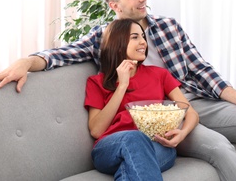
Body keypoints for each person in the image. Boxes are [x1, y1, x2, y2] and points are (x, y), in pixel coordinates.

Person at [0, 0, 236, 180]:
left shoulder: (168, 26)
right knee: (218, 146)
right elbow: (61, 55)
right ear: (115, 5)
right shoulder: (104, 37)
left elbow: (200, 68)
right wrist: (25, 61)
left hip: (192, 100)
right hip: (161, 116)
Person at [85, 18, 198, 180]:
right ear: (117, 44)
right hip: (111, 148)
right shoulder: (96, 82)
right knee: (134, 138)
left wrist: (183, 133)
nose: (143, 42)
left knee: (129, 169)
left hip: (157, 146)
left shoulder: (160, 75)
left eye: (143, 36)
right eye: (135, 37)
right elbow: (96, 130)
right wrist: (122, 86)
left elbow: (191, 112)